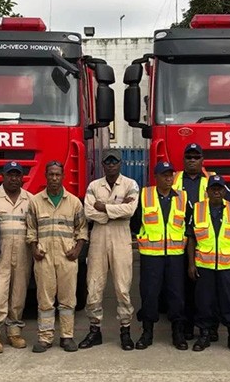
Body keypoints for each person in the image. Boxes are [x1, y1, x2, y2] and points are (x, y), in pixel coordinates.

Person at [174, 142, 230, 341]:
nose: (192, 160)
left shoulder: (212, 179)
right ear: (183, 160)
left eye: (196, 157)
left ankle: (211, 329)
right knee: (183, 288)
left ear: (202, 160)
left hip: (203, 243)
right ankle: (187, 326)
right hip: (176, 241)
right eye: (189, 157)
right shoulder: (174, 179)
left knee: (206, 291)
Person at [79, 149, 139, 351]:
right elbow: (88, 212)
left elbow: (130, 211)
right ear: (103, 165)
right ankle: (94, 330)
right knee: (94, 286)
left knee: (122, 287)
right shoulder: (94, 185)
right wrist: (116, 210)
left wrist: (103, 207)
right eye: (107, 162)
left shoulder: (130, 184)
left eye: (114, 161)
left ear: (120, 163)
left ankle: (125, 330)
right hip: (98, 237)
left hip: (121, 237)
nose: (111, 165)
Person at [26, 161, 88, 353]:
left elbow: (82, 229)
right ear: (46, 176)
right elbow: (31, 229)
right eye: (51, 175)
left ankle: (67, 337)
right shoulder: (35, 201)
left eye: (57, 175)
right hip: (43, 258)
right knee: (44, 299)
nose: (54, 178)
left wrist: (77, 249)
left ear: (63, 177)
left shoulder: (74, 202)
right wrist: (34, 248)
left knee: (68, 299)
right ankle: (45, 338)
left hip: (67, 258)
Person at [130, 161, 189, 351]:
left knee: (176, 295)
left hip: (175, 255)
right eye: (164, 175)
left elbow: (188, 224)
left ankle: (177, 333)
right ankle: (147, 333)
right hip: (151, 256)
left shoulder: (181, 197)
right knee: (149, 294)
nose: (169, 178)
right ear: (156, 177)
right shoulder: (145, 195)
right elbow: (135, 223)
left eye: (171, 175)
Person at [186, 175, 230, 353]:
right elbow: (191, 238)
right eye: (213, 188)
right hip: (204, 265)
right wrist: (191, 264)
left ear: (224, 190)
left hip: (228, 266)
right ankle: (204, 335)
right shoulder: (197, 209)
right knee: (204, 302)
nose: (217, 191)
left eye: (220, 188)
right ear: (208, 191)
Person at [0, 161, 33, 353]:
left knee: (19, 293)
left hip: (23, 253)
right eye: (10, 174)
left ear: (22, 177)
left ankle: (14, 331)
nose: (14, 178)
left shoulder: (30, 199)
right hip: (0, 253)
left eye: (17, 175)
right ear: (2, 176)